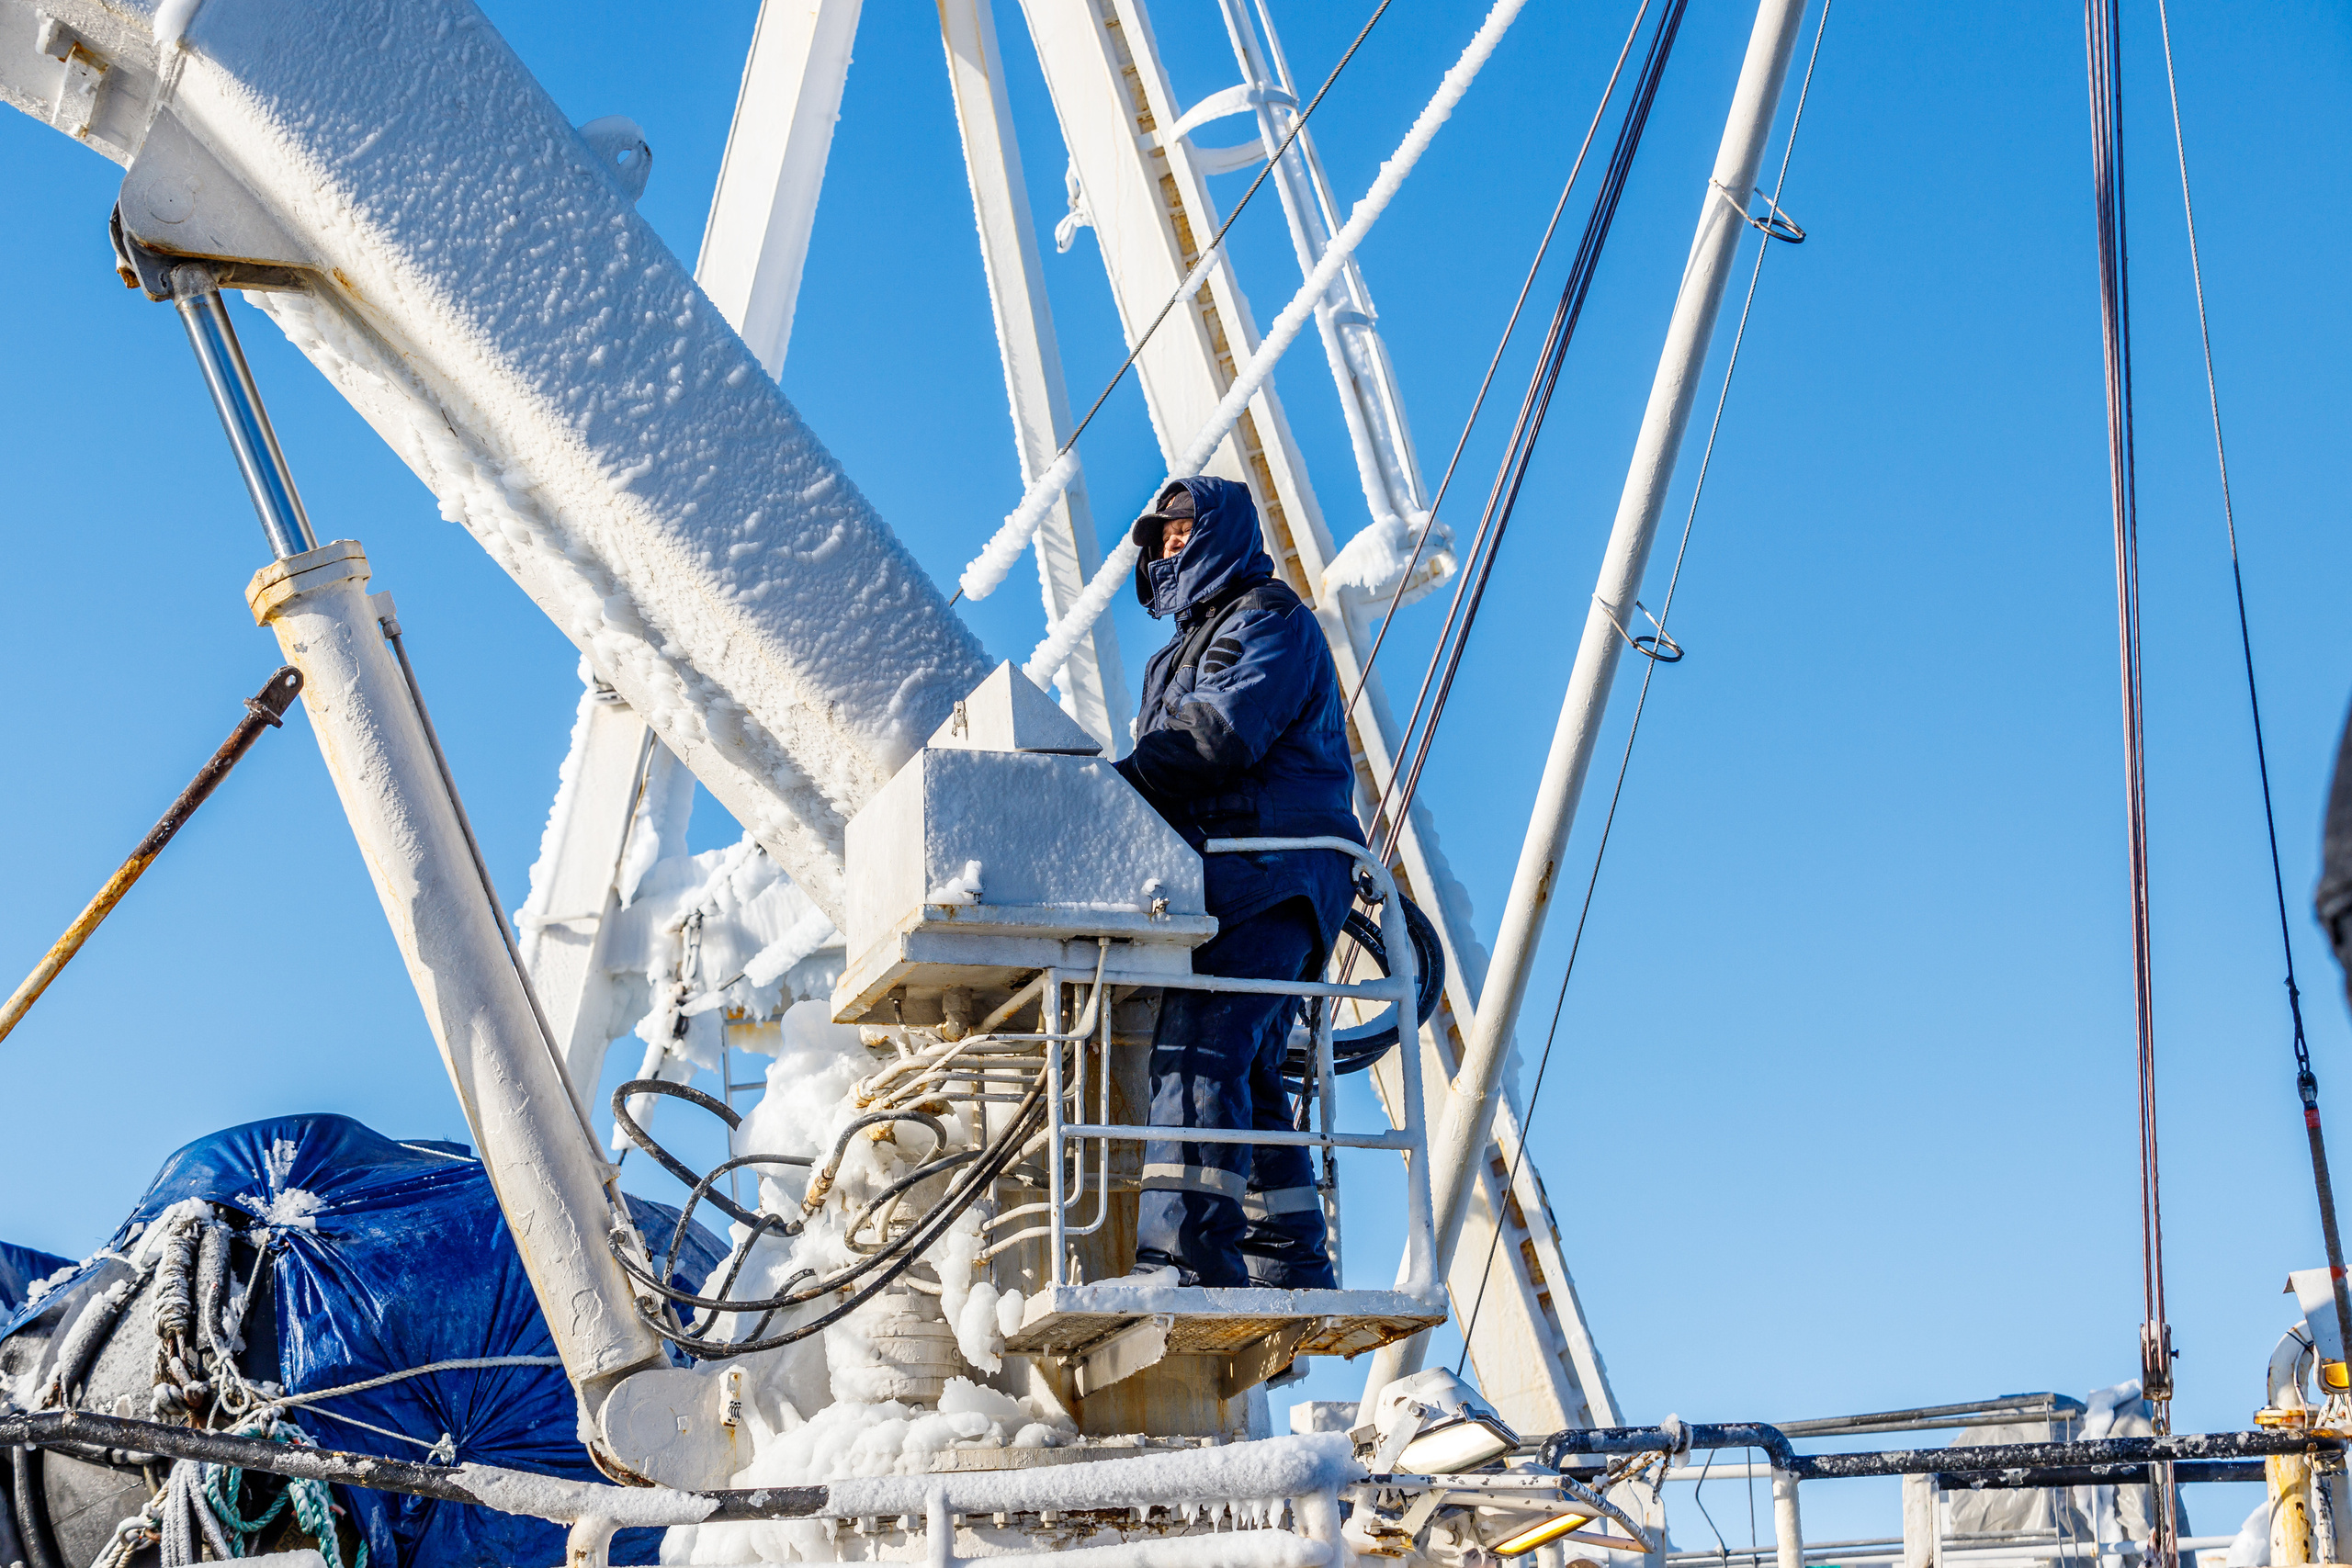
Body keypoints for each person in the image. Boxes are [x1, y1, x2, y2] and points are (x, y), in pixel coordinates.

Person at [1113, 476, 1363, 1290]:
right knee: (1248, 1063)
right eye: (1161, 539)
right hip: (1229, 874)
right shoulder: (1177, 651)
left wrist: (1108, 788)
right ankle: (1287, 1249)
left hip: (1269, 867)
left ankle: (1182, 1257)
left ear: (1220, 530)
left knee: (1197, 1052)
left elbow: (1217, 737)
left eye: (1182, 531)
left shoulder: (1266, 619)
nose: (1169, 547)